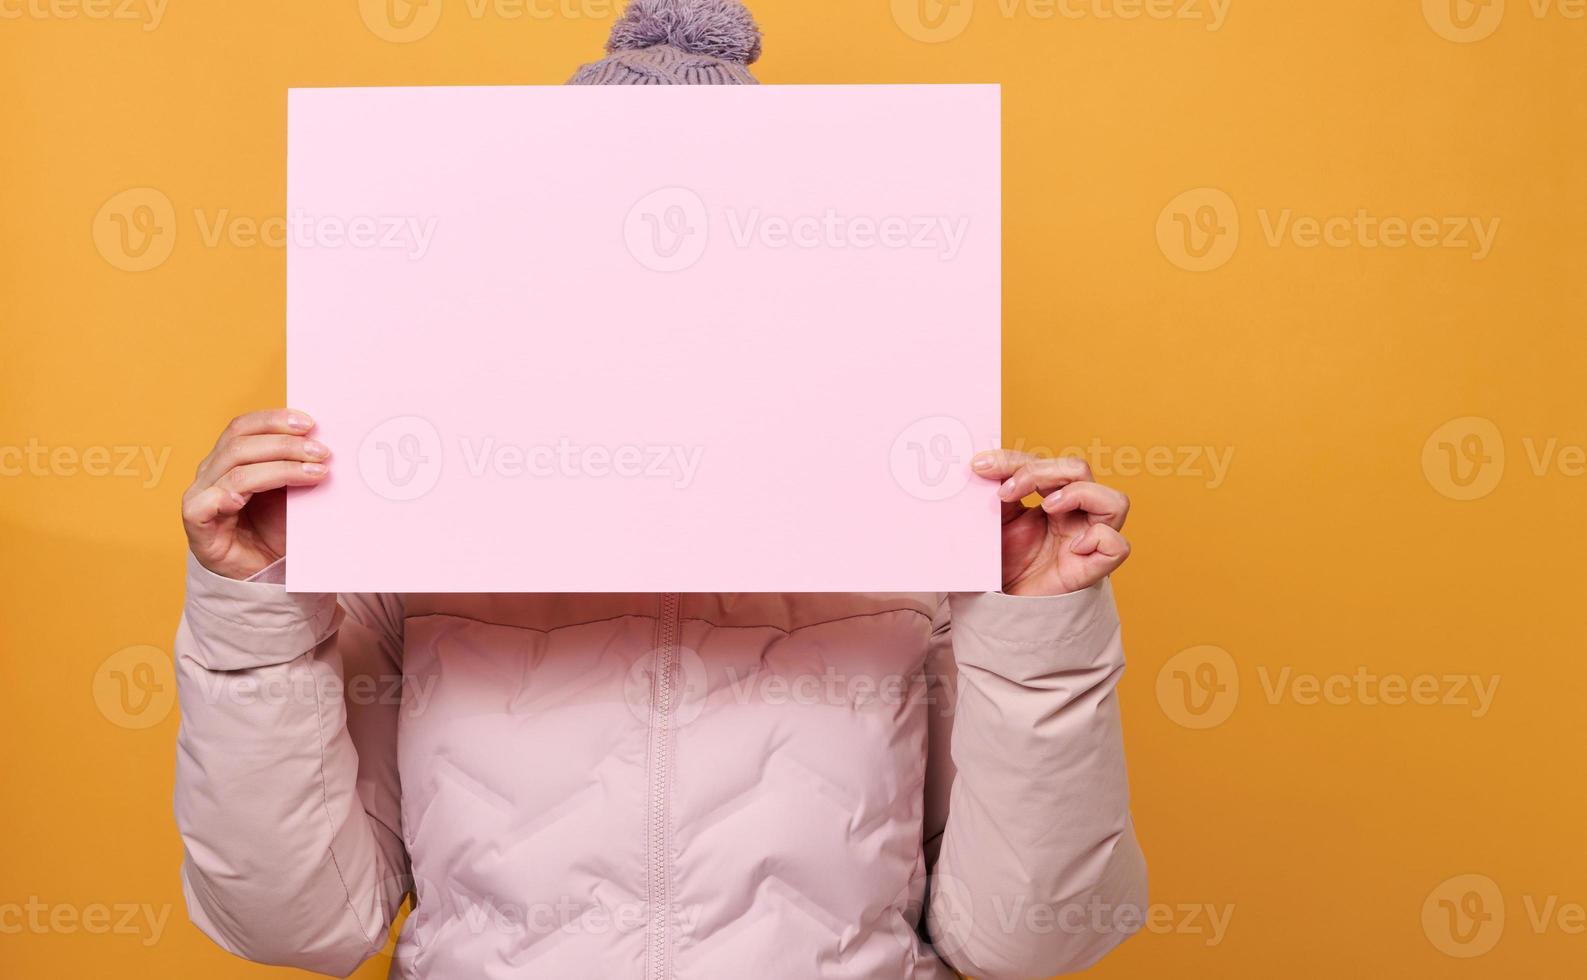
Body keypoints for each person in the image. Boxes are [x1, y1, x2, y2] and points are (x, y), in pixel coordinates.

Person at [171, 2, 1146, 977]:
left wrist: (1039, 637)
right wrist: (253, 620)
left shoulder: (918, 536)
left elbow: (1029, 941)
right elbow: (298, 924)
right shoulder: (405, 541)